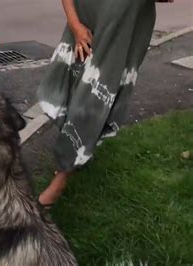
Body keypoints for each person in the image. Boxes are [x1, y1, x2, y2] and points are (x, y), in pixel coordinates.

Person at [37, 0, 175, 209]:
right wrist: (75, 25)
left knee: (91, 101)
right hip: (84, 24)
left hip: (122, 30)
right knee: (65, 90)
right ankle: (78, 149)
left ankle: (62, 177)